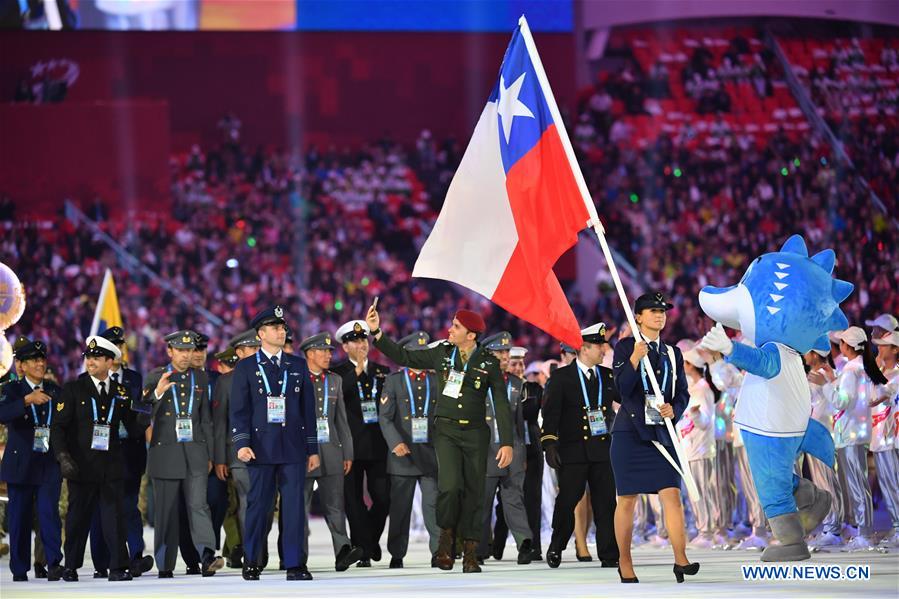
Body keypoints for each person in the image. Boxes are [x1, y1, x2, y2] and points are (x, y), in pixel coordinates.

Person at [367, 305, 513, 573]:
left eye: (456, 327)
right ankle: (445, 542)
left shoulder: (488, 363)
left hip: (476, 434)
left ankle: (470, 551)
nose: (450, 329)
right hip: (445, 432)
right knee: (449, 487)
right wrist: (376, 332)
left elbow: (501, 404)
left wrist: (506, 442)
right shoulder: (442, 354)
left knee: (474, 492)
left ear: (471, 335)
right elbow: (403, 355)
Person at [610, 292, 697, 584]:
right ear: (638, 317)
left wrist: (675, 408)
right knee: (627, 500)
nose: (659, 315)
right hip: (630, 434)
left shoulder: (673, 353)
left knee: (672, 495)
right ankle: (624, 561)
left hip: (662, 432)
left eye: (662, 311)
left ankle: (681, 560)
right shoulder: (624, 348)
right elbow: (621, 389)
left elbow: (683, 392)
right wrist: (635, 359)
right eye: (651, 310)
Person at [230, 305, 319, 581]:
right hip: (259, 447)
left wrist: (312, 448)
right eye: (276, 328)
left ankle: (294, 564)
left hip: (293, 447)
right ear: (261, 333)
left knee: (294, 507)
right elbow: (239, 410)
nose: (282, 331)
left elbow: (308, 409)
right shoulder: (245, 367)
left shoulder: (297, 364)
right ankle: (252, 560)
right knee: (258, 505)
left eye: (283, 327)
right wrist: (241, 443)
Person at [51, 336, 142, 582]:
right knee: (77, 519)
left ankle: (117, 567)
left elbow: (133, 428)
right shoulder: (73, 389)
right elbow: (57, 427)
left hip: (111, 466)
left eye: (96, 358)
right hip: (80, 466)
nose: (90, 361)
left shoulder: (121, 391)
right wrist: (62, 457)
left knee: (114, 519)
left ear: (109, 362)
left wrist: (147, 407)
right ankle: (70, 566)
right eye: (89, 357)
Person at [141, 330, 223, 578]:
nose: (187, 355)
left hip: (196, 452)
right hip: (166, 452)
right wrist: (157, 394)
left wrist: (210, 453)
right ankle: (165, 564)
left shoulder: (200, 377)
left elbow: (206, 420)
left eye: (189, 350)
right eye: (181, 350)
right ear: (170, 351)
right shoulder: (156, 376)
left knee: (199, 505)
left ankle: (207, 555)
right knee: (166, 511)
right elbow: (141, 415)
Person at [541, 323, 620, 569]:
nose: (604, 350)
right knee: (567, 500)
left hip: (602, 451)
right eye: (599, 345)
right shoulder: (561, 378)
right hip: (572, 452)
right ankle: (557, 545)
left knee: (606, 503)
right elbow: (550, 414)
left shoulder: (607, 377)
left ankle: (609, 553)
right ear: (584, 348)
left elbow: (626, 397)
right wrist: (549, 444)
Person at [88, 326, 153, 578]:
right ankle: (101, 561)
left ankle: (136, 555)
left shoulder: (134, 379)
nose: (117, 349)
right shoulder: (89, 380)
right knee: (101, 506)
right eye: (112, 345)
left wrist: (142, 425)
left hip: (130, 452)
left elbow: (141, 411)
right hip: (101, 452)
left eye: (120, 344)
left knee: (128, 504)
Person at [0, 340, 64, 582]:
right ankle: (19, 569)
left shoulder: (55, 390)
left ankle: (54, 563)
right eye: (33, 360)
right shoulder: (11, 390)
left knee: (50, 515)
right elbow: (2, 414)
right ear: (22, 365)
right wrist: (27, 401)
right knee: (19, 518)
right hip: (20, 464)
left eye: (42, 359)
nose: (39, 363)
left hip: (48, 463)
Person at [299, 332, 363, 572]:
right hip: (304, 453)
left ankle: (342, 551)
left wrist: (348, 453)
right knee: (300, 508)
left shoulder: (334, 380)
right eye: (323, 351)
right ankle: (297, 557)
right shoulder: (296, 378)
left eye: (329, 352)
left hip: (332, 451)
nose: (328, 355)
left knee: (336, 505)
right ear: (310, 354)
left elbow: (341, 421)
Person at [331, 319, 391, 566]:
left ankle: (369, 541)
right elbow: (335, 400)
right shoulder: (336, 373)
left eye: (363, 339)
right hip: (350, 445)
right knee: (353, 499)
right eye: (355, 341)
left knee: (383, 498)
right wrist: (355, 373)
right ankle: (363, 550)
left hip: (378, 444)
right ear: (345, 347)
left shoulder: (381, 371)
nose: (361, 344)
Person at [379, 331, 441, 568]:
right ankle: (397, 553)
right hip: (402, 454)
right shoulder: (394, 380)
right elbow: (385, 417)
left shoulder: (435, 380)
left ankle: (438, 551)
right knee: (400, 508)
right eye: (417, 353)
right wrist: (395, 443)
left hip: (430, 452)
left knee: (432, 505)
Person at [477, 331, 534, 565]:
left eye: (506, 352)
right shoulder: (476, 382)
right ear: (487, 355)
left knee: (514, 500)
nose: (504, 356)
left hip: (513, 451)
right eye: (499, 352)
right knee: (483, 502)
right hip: (486, 451)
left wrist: (523, 451)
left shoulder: (516, 383)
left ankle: (524, 543)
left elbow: (519, 422)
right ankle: (479, 548)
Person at [831, 327, 884, 550]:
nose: (838, 345)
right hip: (857, 431)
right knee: (858, 481)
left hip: (851, 433)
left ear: (847, 346)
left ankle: (864, 532)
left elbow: (843, 401)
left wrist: (827, 386)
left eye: (841, 342)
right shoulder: (861, 367)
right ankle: (863, 530)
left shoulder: (851, 369)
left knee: (857, 482)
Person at [212, 329, 261, 569]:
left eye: (257, 348)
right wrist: (220, 458)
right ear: (239, 352)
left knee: (262, 503)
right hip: (237, 453)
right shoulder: (225, 381)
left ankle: (256, 550)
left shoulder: (268, 375)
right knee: (246, 502)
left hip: (268, 452)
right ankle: (252, 552)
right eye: (251, 349)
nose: (255, 352)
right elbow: (220, 422)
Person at [677, 348, 718, 549]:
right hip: (690, 449)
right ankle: (703, 529)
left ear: (691, 365)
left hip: (700, 449)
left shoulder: (703, 389)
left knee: (702, 491)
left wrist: (694, 414)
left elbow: (705, 421)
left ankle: (707, 532)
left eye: (684, 363)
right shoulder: (693, 389)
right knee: (695, 492)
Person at [804, 348, 845, 548]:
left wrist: (828, 382)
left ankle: (834, 529)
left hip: (823, 433)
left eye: (807, 351)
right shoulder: (814, 375)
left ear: (815, 354)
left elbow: (837, 401)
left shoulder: (824, 374)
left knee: (827, 482)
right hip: (813, 433)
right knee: (820, 483)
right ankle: (829, 526)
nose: (804, 354)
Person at [870, 331, 899, 547]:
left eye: (884, 345)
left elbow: (876, 398)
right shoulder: (883, 372)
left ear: (895, 350)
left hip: (891, 438)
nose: (879, 348)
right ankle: (896, 527)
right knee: (887, 484)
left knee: (893, 483)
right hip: (879, 437)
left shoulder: (896, 375)